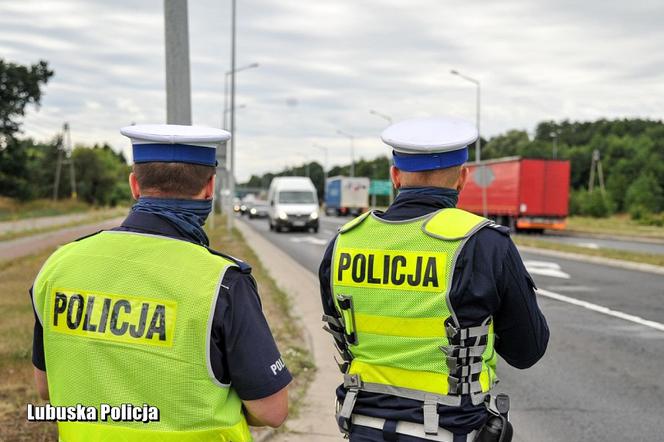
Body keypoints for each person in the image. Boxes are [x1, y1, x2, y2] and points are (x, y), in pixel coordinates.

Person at [31, 124, 290, 441]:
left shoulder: (59, 266)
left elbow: (45, 387)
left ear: (134, 186)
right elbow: (271, 411)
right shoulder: (223, 283)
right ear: (210, 188)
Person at [319, 117, 549, 442]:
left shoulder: (344, 241)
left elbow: (342, 331)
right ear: (463, 178)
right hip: (452, 429)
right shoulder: (484, 243)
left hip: (362, 424)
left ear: (395, 176)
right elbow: (527, 351)